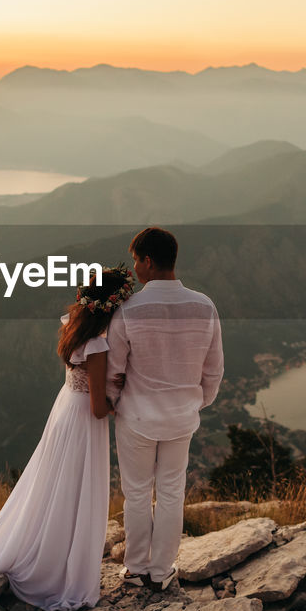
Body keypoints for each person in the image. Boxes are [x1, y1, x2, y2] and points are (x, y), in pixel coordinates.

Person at [0, 266, 136, 611]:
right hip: (83, 422)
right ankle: (60, 572)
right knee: (74, 492)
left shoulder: (72, 327)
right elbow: (98, 408)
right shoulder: (98, 345)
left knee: (53, 487)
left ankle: (48, 552)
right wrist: (121, 396)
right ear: (113, 306)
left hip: (63, 411)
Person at [107, 227, 224, 591]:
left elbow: (114, 370)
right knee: (172, 491)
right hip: (182, 417)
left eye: (136, 261)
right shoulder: (204, 305)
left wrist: (114, 404)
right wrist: (196, 402)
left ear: (148, 261)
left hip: (137, 417)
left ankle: (136, 569)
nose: (134, 268)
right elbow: (214, 368)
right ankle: (162, 571)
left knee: (138, 492)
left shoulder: (129, 310)